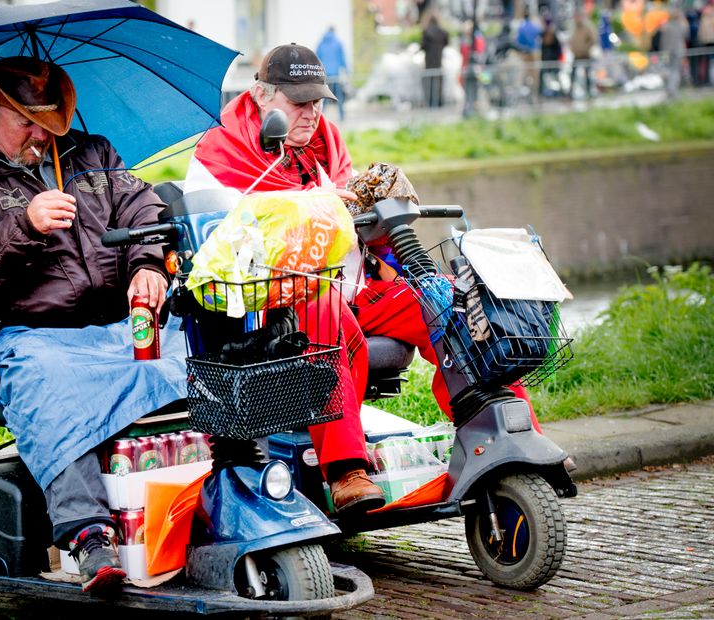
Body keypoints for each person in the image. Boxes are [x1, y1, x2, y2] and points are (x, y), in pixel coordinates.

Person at [185, 44, 547, 509]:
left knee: (445, 301)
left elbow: (348, 224)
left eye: (317, 102)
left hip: (350, 284)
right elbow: (220, 246)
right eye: (299, 102)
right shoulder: (221, 153)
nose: (311, 113)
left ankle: (505, 432)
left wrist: (377, 222)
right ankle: (345, 469)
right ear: (260, 95)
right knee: (324, 308)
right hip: (273, 300)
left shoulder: (325, 147)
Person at [0, 56, 186, 594]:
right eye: (26, 123)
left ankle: (203, 499)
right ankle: (88, 534)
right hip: (16, 334)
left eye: (50, 122)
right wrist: (24, 225)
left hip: (109, 325)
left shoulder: (93, 154)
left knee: (199, 355)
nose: (41, 135)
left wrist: (147, 265)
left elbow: (145, 211)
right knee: (51, 379)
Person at [316, 26, 349, 119]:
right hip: (335, 75)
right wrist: (347, 72)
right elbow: (343, 59)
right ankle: (342, 117)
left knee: (324, 97)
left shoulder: (321, 43)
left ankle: (320, 117)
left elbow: (316, 58)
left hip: (324, 75)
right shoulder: (338, 43)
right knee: (338, 97)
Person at [658, 9, 691, 98]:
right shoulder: (681, 26)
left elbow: (661, 40)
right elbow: (687, 35)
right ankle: (672, 90)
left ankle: (669, 89)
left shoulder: (665, 26)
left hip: (665, 52)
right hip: (678, 51)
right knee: (675, 71)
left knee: (667, 70)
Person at [569, 13, 599, 99]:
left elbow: (593, 39)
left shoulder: (587, 27)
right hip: (576, 55)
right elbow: (570, 41)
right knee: (573, 73)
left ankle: (589, 92)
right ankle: (570, 93)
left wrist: (586, 48)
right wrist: (573, 49)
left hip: (585, 54)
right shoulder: (573, 28)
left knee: (588, 74)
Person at [422, 14, 450, 107]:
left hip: (429, 60)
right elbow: (446, 42)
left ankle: (430, 101)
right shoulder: (443, 32)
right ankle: (439, 101)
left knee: (429, 81)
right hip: (439, 59)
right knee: (439, 81)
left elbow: (423, 46)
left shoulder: (426, 32)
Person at [539, 19, 562, 97]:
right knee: (543, 77)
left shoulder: (553, 36)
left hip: (553, 61)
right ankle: (541, 93)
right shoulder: (543, 35)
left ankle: (560, 93)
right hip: (545, 61)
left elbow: (558, 49)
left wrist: (556, 58)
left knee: (556, 77)